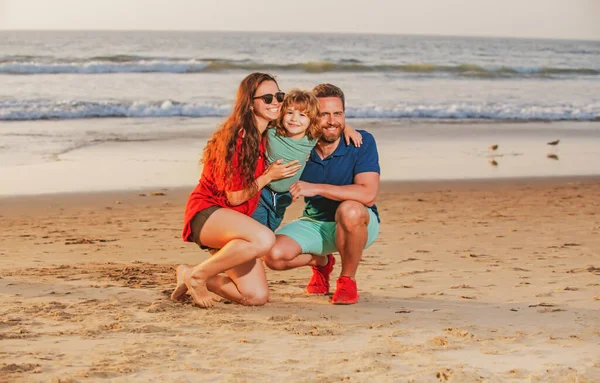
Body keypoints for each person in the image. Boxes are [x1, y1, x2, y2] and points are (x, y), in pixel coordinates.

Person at [171, 72, 301, 308]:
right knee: (264, 239)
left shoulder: (267, 134)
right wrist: (268, 177)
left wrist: (347, 129)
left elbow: (310, 120)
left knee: (256, 297)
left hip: (236, 226)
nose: (276, 103)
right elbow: (234, 197)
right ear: (250, 103)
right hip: (208, 214)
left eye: (279, 96)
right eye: (268, 98)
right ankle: (198, 277)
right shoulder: (238, 138)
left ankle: (189, 273)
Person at [264, 83, 381, 305]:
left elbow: (368, 194)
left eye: (338, 114)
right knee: (272, 256)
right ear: (311, 116)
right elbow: (275, 119)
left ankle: (347, 279)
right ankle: (321, 263)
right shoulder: (299, 145)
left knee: (350, 209)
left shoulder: (360, 142)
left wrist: (315, 188)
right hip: (314, 222)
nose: (332, 121)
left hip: (359, 223)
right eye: (324, 114)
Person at [251, 89, 363, 232]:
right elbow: (257, 119)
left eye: (302, 115)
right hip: (263, 191)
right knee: (259, 229)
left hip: (284, 196)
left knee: (272, 225)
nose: (294, 119)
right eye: (289, 113)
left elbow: (331, 125)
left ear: (312, 119)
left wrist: (348, 129)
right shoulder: (273, 131)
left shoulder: (311, 137)